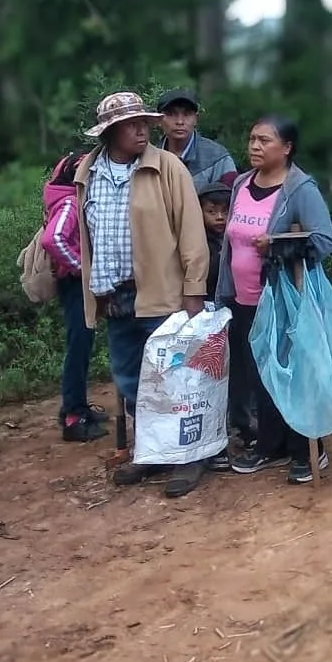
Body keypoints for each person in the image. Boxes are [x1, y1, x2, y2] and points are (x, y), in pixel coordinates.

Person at [74, 91, 211, 498]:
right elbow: (88, 236)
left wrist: (194, 289)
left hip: (161, 294)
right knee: (133, 380)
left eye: (144, 123)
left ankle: (188, 456)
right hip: (115, 296)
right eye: (131, 125)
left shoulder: (166, 167)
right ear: (110, 132)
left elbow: (191, 232)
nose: (142, 130)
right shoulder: (89, 171)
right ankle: (153, 450)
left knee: (175, 380)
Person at [215, 116, 332, 483]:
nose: (254, 146)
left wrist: (279, 243)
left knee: (293, 371)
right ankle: (271, 444)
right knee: (260, 374)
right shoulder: (240, 183)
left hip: (284, 297)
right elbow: (229, 244)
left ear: (286, 148)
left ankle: (306, 448)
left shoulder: (300, 189)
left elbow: (323, 241)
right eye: (252, 138)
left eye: (264, 140)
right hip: (244, 298)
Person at [41, 149, 108, 442]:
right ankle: (74, 416)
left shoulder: (67, 198)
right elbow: (53, 239)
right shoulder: (70, 201)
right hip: (75, 285)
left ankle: (75, 405)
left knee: (81, 343)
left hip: (74, 282)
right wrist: (83, 268)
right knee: (79, 346)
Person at [156, 89, 236, 186]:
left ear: (196, 119)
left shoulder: (218, 158)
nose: (180, 121)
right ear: (159, 120)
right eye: (171, 114)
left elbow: (230, 198)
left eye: (187, 114)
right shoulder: (150, 158)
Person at [195, 172, 237, 303]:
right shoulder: (197, 241)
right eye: (211, 212)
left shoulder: (235, 241)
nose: (219, 217)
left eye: (225, 211)